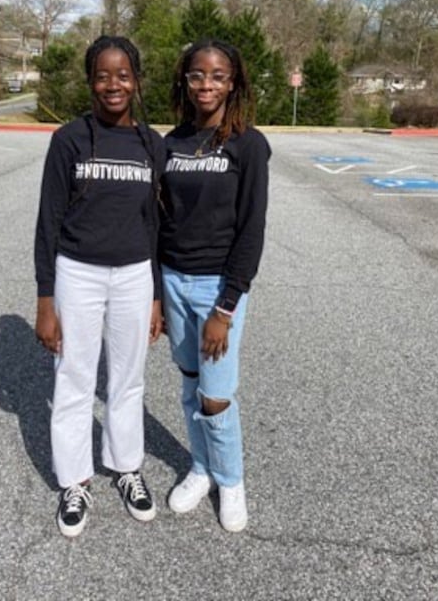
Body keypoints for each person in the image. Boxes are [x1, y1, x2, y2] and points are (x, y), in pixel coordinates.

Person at [34, 35, 165, 538]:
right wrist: (46, 300)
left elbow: (154, 224)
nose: (114, 84)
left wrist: (154, 294)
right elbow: (47, 223)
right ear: (91, 80)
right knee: (74, 376)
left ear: (136, 80)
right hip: (78, 272)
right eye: (103, 75)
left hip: (134, 274)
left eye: (123, 74)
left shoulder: (151, 143)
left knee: (128, 377)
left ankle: (126, 466)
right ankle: (74, 480)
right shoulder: (69, 139)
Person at [159, 37, 271, 533]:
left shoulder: (248, 144)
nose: (207, 84)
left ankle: (231, 481)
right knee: (188, 385)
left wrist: (225, 308)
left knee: (216, 397)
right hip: (172, 279)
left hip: (217, 287)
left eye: (218, 75)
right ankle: (200, 469)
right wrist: (157, 296)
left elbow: (252, 229)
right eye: (198, 75)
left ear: (234, 82)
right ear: (185, 80)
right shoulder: (172, 143)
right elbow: (158, 223)